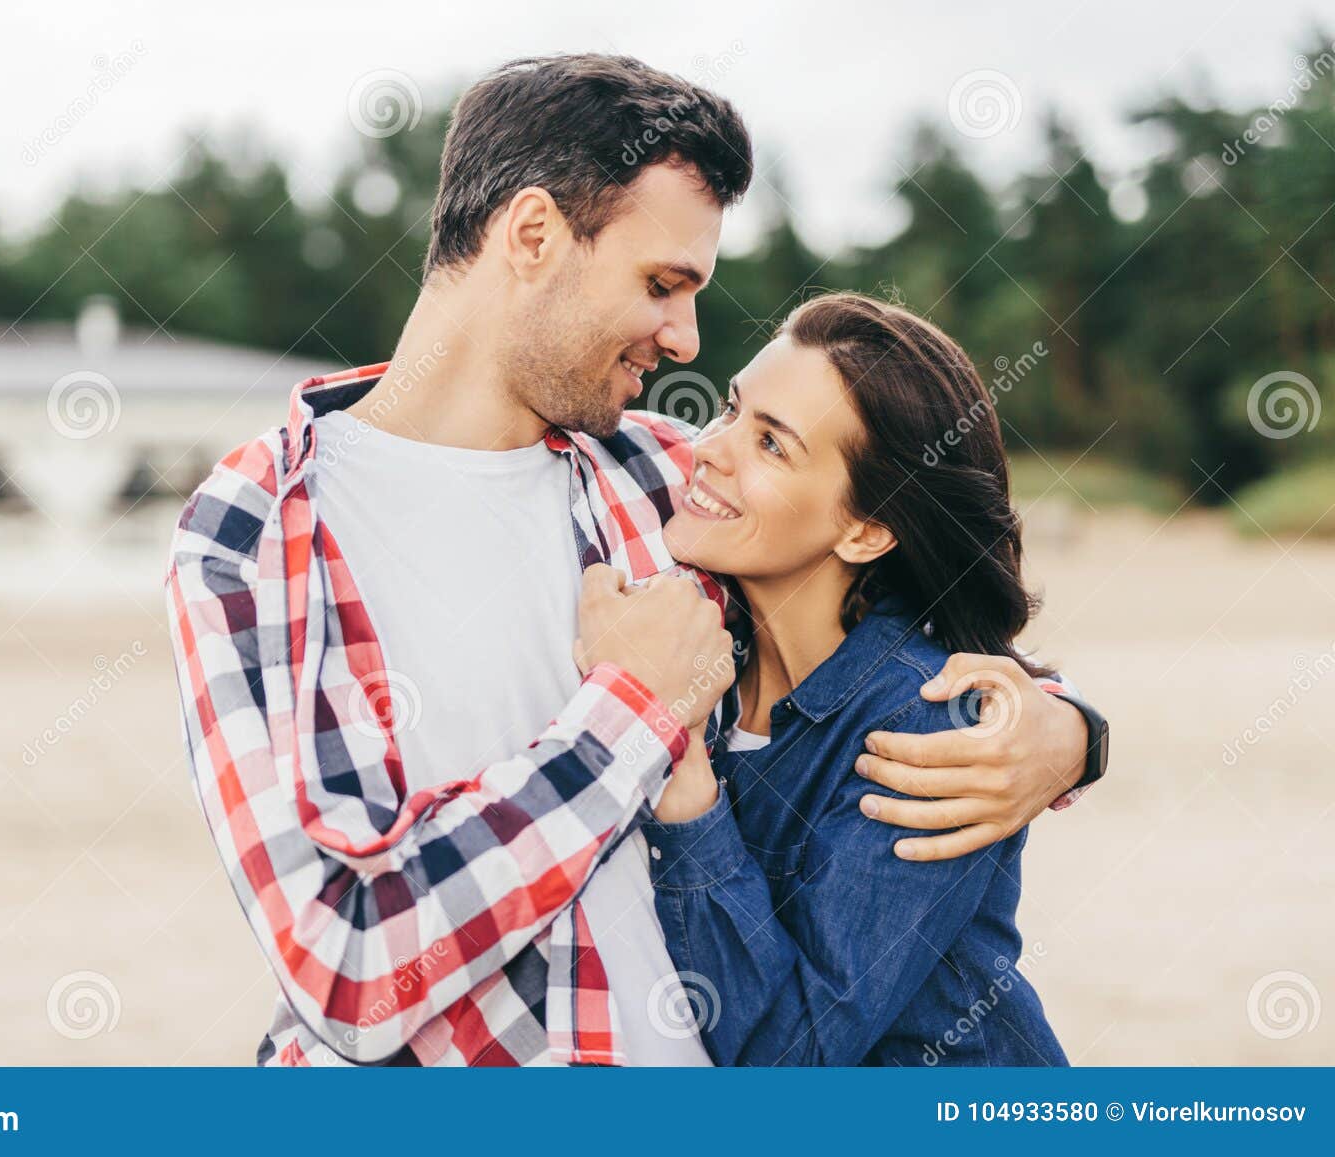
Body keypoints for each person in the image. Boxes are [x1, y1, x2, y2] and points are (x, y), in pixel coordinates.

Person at [163, 54, 1105, 1067]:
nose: (686, 336)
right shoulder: (254, 530)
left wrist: (1065, 732)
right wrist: (631, 712)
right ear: (532, 236)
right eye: (661, 284)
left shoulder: (668, 480)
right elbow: (347, 970)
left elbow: (895, 644)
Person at [643, 292, 1077, 1065]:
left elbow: (790, 1060)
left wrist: (679, 762)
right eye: (732, 408)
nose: (709, 447)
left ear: (867, 528)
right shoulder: (708, 648)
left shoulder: (923, 725)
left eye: (772, 445)